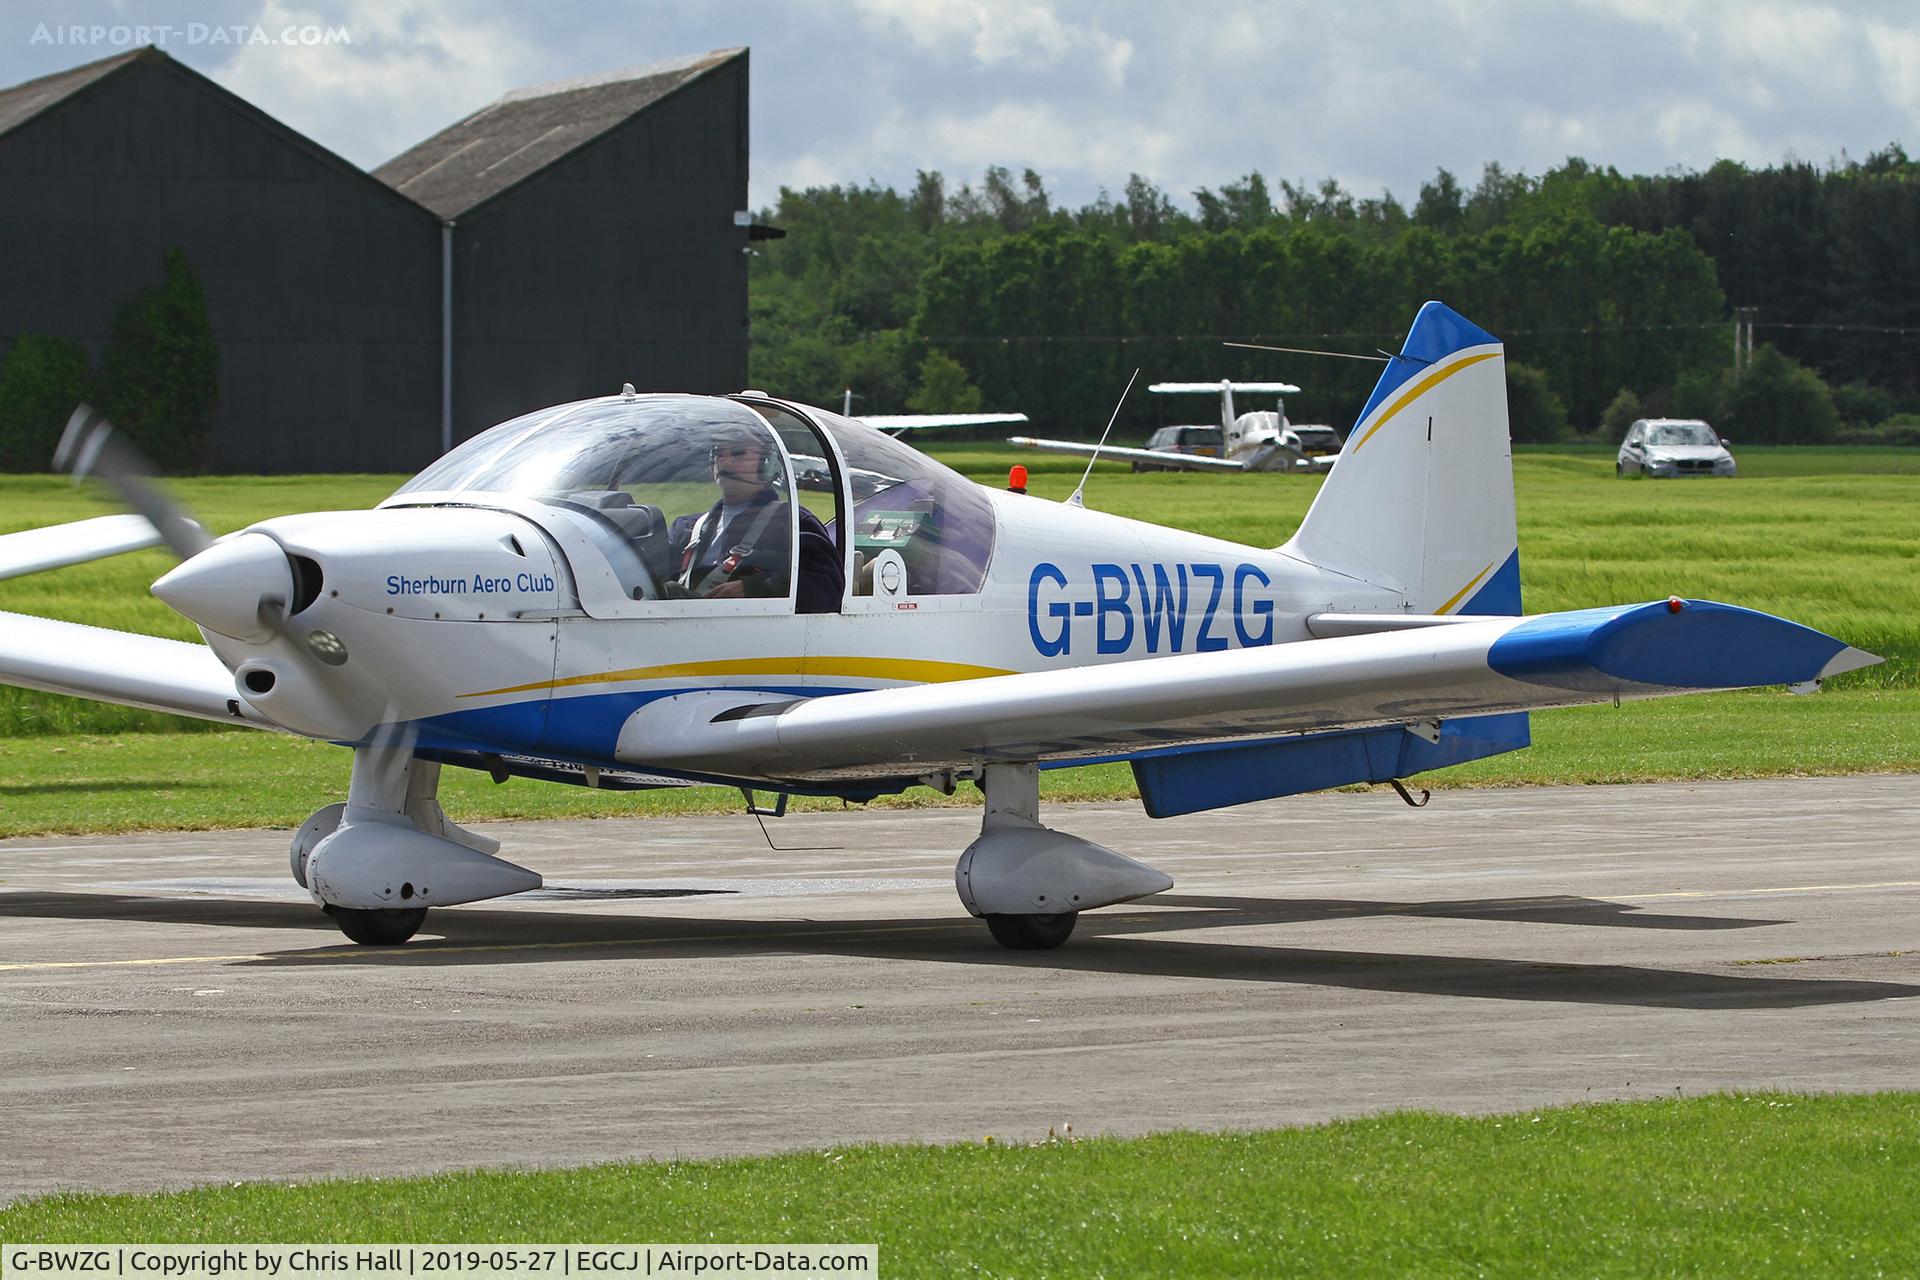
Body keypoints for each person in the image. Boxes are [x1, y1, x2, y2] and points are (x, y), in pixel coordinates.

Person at [667, 429, 843, 613]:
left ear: (768, 463)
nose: (724, 461)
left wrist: (753, 588)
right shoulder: (686, 527)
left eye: (738, 453)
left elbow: (826, 587)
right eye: (718, 454)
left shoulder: (792, 523)